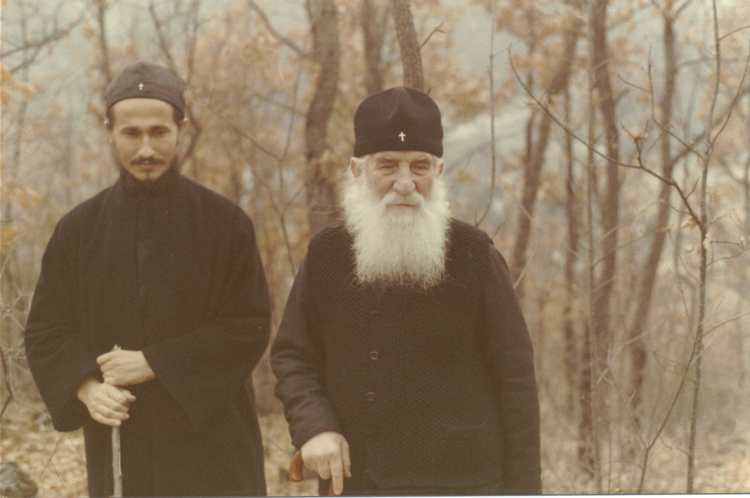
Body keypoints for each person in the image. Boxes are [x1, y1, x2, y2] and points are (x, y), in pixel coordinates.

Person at [271, 87, 541, 496]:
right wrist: (314, 426)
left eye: (420, 166)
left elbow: (516, 385)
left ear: (439, 171)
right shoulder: (326, 254)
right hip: (356, 485)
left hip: (463, 486)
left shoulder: (476, 256)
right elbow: (293, 355)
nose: (404, 183)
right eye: (387, 166)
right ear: (356, 170)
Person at [24, 61, 271, 497]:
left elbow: (247, 326)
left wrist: (155, 363)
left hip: (216, 448)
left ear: (182, 128)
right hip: (123, 444)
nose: (146, 149)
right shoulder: (77, 230)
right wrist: (87, 388)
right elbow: (47, 329)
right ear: (109, 131)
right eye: (131, 134)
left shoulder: (225, 223)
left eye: (159, 132)